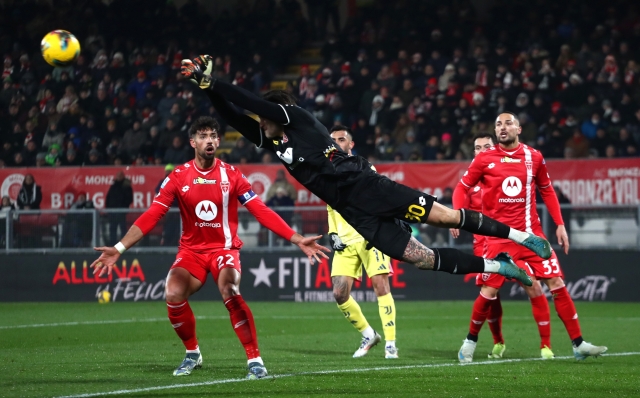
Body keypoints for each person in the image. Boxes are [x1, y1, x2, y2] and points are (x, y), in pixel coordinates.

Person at [180, 55, 552, 287]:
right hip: (351, 208)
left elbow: (247, 102)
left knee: (445, 217)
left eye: (264, 117)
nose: (259, 122)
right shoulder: (274, 141)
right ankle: (500, 266)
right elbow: (232, 115)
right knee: (420, 259)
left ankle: (521, 238)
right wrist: (205, 88)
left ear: (276, 113)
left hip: (365, 184)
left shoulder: (295, 119)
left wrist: (216, 82)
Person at [91, 116, 329, 379]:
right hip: (191, 252)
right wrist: (119, 247)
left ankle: (255, 360)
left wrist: (296, 238)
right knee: (172, 293)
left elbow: (259, 210)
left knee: (230, 289)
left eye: (214, 136)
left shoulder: (232, 174)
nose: (210, 140)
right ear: (193, 142)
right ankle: (192, 353)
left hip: (224, 250)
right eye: (203, 136)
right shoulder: (178, 177)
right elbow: (152, 214)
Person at [453, 112, 607, 361]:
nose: (502, 128)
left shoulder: (533, 157)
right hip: (498, 237)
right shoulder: (484, 159)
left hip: (530, 236)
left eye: (507, 123)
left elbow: (547, 189)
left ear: (519, 129)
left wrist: (559, 224)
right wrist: (459, 215)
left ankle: (578, 343)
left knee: (555, 283)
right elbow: (462, 187)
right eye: (498, 125)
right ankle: (470, 342)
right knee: (489, 291)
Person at [451, 132, 555, 362]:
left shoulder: (500, 172)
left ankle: (546, 346)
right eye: (477, 148)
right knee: (490, 295)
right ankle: (495, 341)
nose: (481, 151)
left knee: (534, 287)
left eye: (486, 147)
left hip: (516, 240)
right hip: (485, 245)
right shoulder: (473, 179)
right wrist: (456, 216)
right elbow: (460, 194)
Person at [328, 125, 399, 359]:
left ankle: (390, 344)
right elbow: (331, 207)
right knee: (339, 294)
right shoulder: (326, 172)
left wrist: (376, 228)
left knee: (381, 286)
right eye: (333, 140)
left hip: (369, 236)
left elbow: (375, 197)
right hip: (345, 241)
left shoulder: (363, 166)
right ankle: (369, 334)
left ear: (351, 144)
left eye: (341, 139)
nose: (337, 143)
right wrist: (333, 233)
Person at [105, 171, 134, 245]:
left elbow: (129, 198)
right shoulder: (113, 186)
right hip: (112, 211)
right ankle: (112, 245)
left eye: (120, 176)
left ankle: (124, 245)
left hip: (121, 211)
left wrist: (123, 206)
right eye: (117, 175)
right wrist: (108, 208)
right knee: (112, 229)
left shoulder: (127, 186)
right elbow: (108, 197)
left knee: (123, 228)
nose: (118, 177)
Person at [155, 163, 180, 246]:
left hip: (175, 209)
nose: (167, 173)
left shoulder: (177, 182)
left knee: (175, 227)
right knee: (167, 227)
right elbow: (157, 193)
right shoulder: (162, 182)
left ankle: (173, 243)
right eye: (167, 171)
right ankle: (166, 243)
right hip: (166, 209)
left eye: (169, 171)